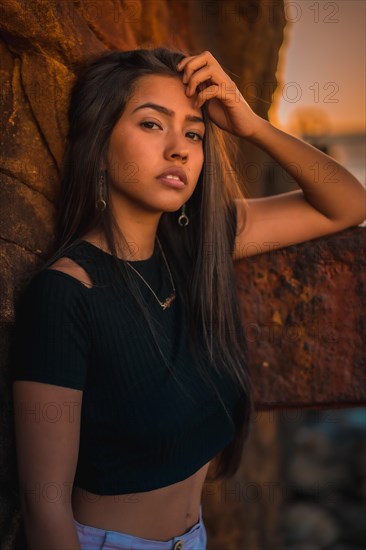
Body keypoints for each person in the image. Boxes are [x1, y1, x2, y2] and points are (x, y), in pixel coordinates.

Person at [11, 47, 365, 550]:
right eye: (153, 125)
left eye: (194, 132)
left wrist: (253, 126)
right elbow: (45, 508)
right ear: (99, 138)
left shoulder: (198, 247)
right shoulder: (65, 294)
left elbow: (348, 203)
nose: (179, 148)